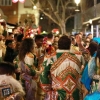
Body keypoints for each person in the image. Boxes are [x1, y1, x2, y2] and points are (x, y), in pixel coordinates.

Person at [40, 35, 85, 100]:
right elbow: (88, 63)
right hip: (75, 94)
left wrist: (48, 89)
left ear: (58, 45)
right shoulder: (79, 56)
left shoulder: (50, 58)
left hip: (57, 94)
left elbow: (43, 75)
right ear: (70, 45)